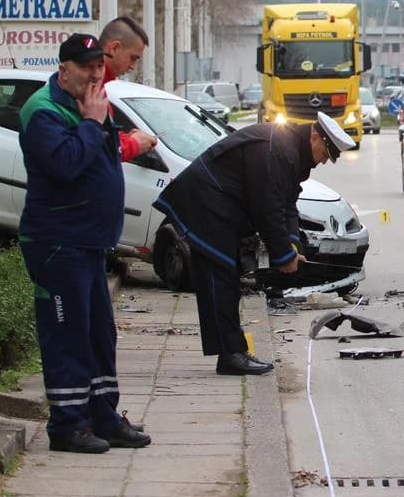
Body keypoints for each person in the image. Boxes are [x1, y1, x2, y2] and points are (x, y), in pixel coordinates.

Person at [18, 33, 152, 452]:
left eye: (99, 66)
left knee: (99, 335)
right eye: (86, 67)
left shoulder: (92, 104)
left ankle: (103, 416)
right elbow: (66, 164)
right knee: (68, 334)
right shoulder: (43, 111)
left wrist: (100, 123)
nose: (95, 75)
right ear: (64, 70)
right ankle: (67, 425)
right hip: (58, 242)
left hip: (89, 243)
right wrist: (93, 123)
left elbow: (105, 157)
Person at [152, 112, 355, 375]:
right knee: (220, 279)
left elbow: (287, 204)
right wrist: (283, 256)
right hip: (206, 203)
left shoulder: (291, 151)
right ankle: (230, 356)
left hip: (219, 206)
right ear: (315, 136)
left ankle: (232, 352)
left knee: (226, 278)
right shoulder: (278, 149)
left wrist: (293, 247)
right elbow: (267, 209)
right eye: (326, 153)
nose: (325, 160)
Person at [98, 15, 157, 160]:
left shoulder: (99, 87)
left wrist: (126, 139)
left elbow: (102, 137)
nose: (132, 67)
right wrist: (133, 144)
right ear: (114, 48)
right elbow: (96, 149)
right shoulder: (87, 88)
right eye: (133, 58)